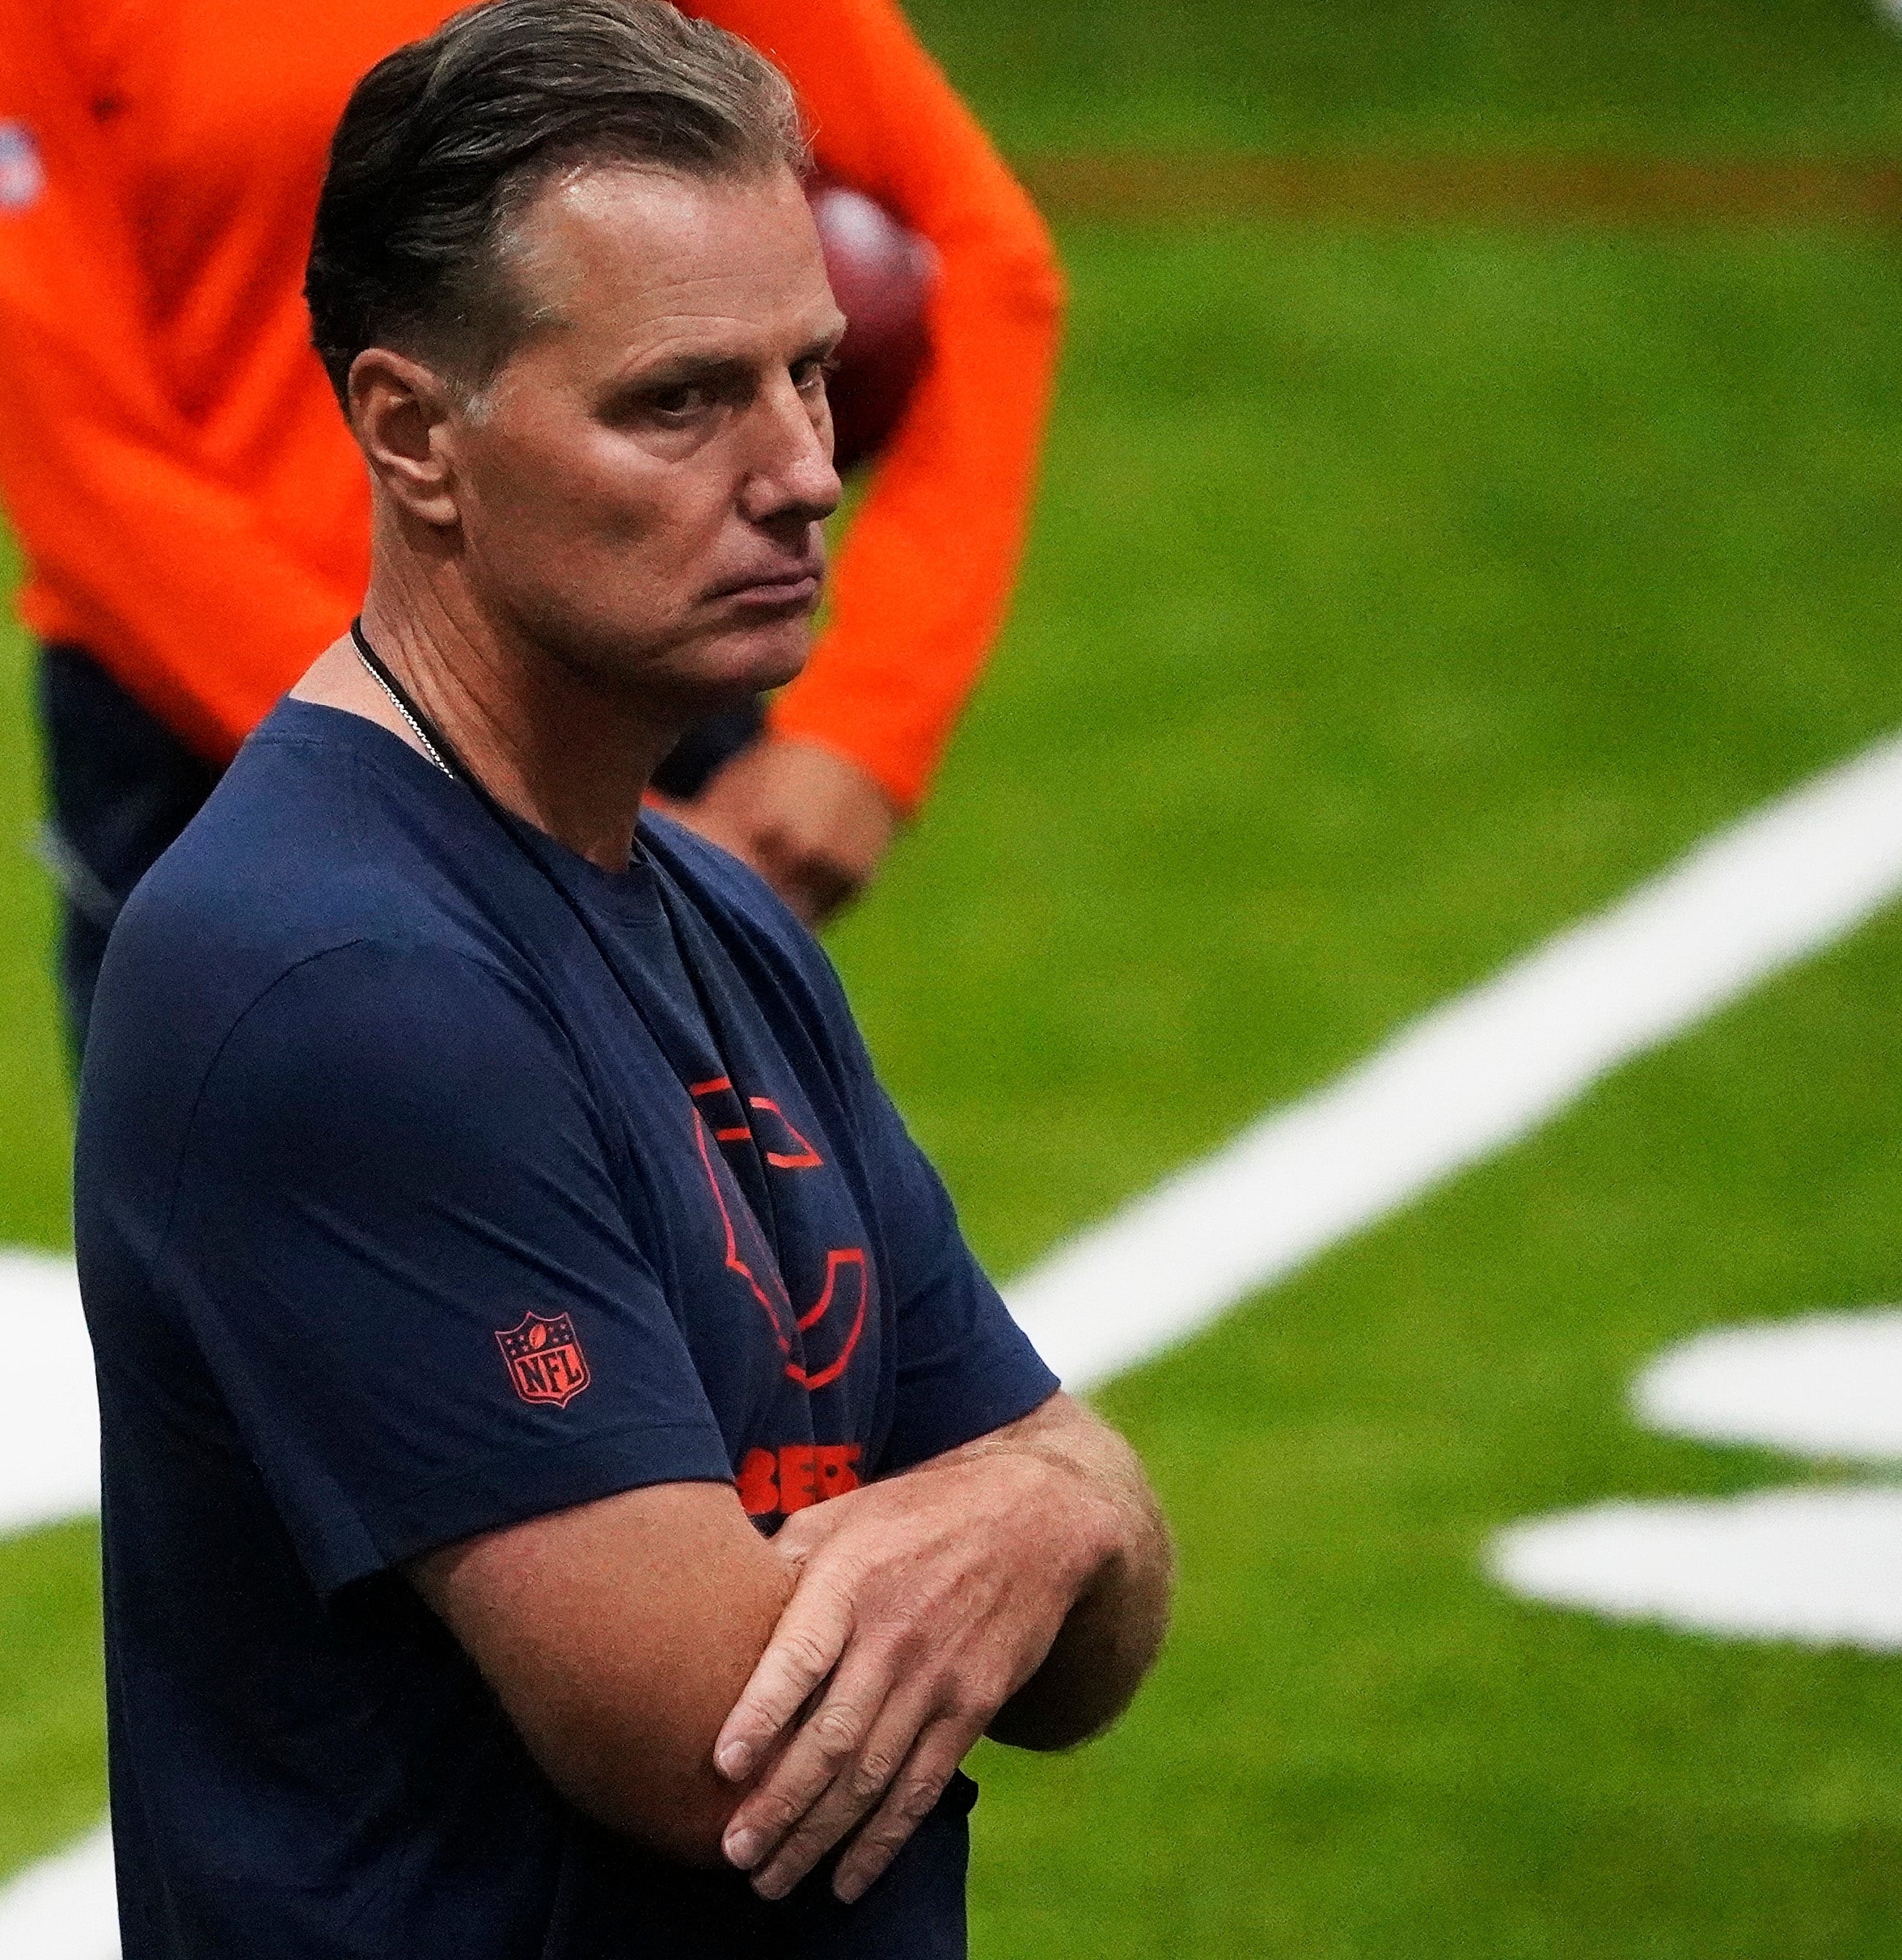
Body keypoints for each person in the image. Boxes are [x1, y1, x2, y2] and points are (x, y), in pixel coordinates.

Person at [74, 6, 1169, 1954]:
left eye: (816, 377)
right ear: (415, 433)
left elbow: (1096, 1622)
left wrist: (1051, 1518)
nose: (804, 473)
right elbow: (720, 1746)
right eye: (680, 403)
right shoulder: (337, 985)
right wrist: (1029, 1514)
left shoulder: (702, 897)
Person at [0, 0, 1063, 1060]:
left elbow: (983, 260)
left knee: (731, 1310)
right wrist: (463, 782)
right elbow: (83, 459)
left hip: (636, 742)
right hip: (239, 769)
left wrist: (862, 733)